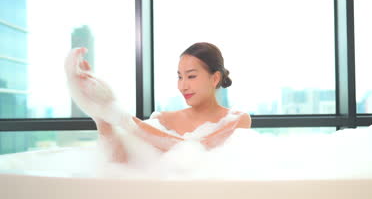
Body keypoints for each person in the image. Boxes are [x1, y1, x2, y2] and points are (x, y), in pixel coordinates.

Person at [65, 42, 251, 163]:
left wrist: (123, 118)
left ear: (215, 78)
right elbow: (120, 161)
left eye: (191, 76)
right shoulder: (163, 120)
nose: (183, 86)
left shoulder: (237, 120)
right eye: (180, 77)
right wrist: (100, 115)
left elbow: (199, 151)